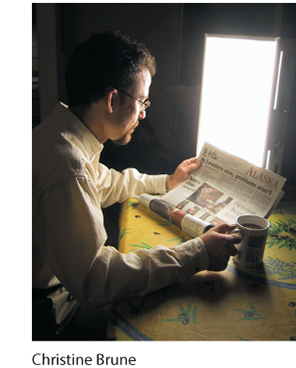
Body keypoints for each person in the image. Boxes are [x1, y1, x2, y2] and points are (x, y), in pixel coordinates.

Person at [32, 31, 241, 340]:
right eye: (142, 101)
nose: (143, 113)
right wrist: (198, 253)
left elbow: (104, 183)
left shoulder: (59, 136)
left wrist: (167, 182)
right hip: (46, 310)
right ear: (112, 99)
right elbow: (96, 279)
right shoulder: (67, 166)